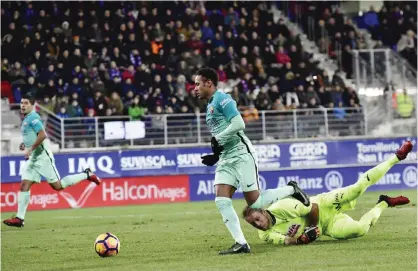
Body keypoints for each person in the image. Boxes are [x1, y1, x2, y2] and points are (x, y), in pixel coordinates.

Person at [194, 68, 310, 255]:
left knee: (255, 204)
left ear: (209, 83)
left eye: (198, 83)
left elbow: (240, 124)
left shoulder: (222, 98)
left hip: (241, 154)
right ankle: (241, 243)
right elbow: (222, 136)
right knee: (221, 199)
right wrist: (216, 154)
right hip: (226, 158)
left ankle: (292, 189)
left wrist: (218, 138)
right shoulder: (209, 107)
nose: (195, 88)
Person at [242, 141, 413, 246]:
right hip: (327, 226)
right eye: (253, 224)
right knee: (359, 230)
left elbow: (313, 208)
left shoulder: (282, 206)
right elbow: (287, 241)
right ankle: (384, 203)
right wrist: (301, 240)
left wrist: (311, 229)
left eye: (257, 219)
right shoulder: (264, 235)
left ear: (263, 211)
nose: (257, 224)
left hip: (324, 204)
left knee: (356, 189)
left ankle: (397, 157)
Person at [3, 95, 101, 228]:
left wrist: (30, 149)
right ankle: (20, 218)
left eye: (26, 103)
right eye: (21, 103)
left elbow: (43, 135)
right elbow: (32, 136)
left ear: (32, 105)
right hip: (33, 159)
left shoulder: (33, 117)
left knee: (58, 186)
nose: (22, 105)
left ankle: (87, 174)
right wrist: (24, 145)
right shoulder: (26, 118)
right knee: (24, 185)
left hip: (43, 157)